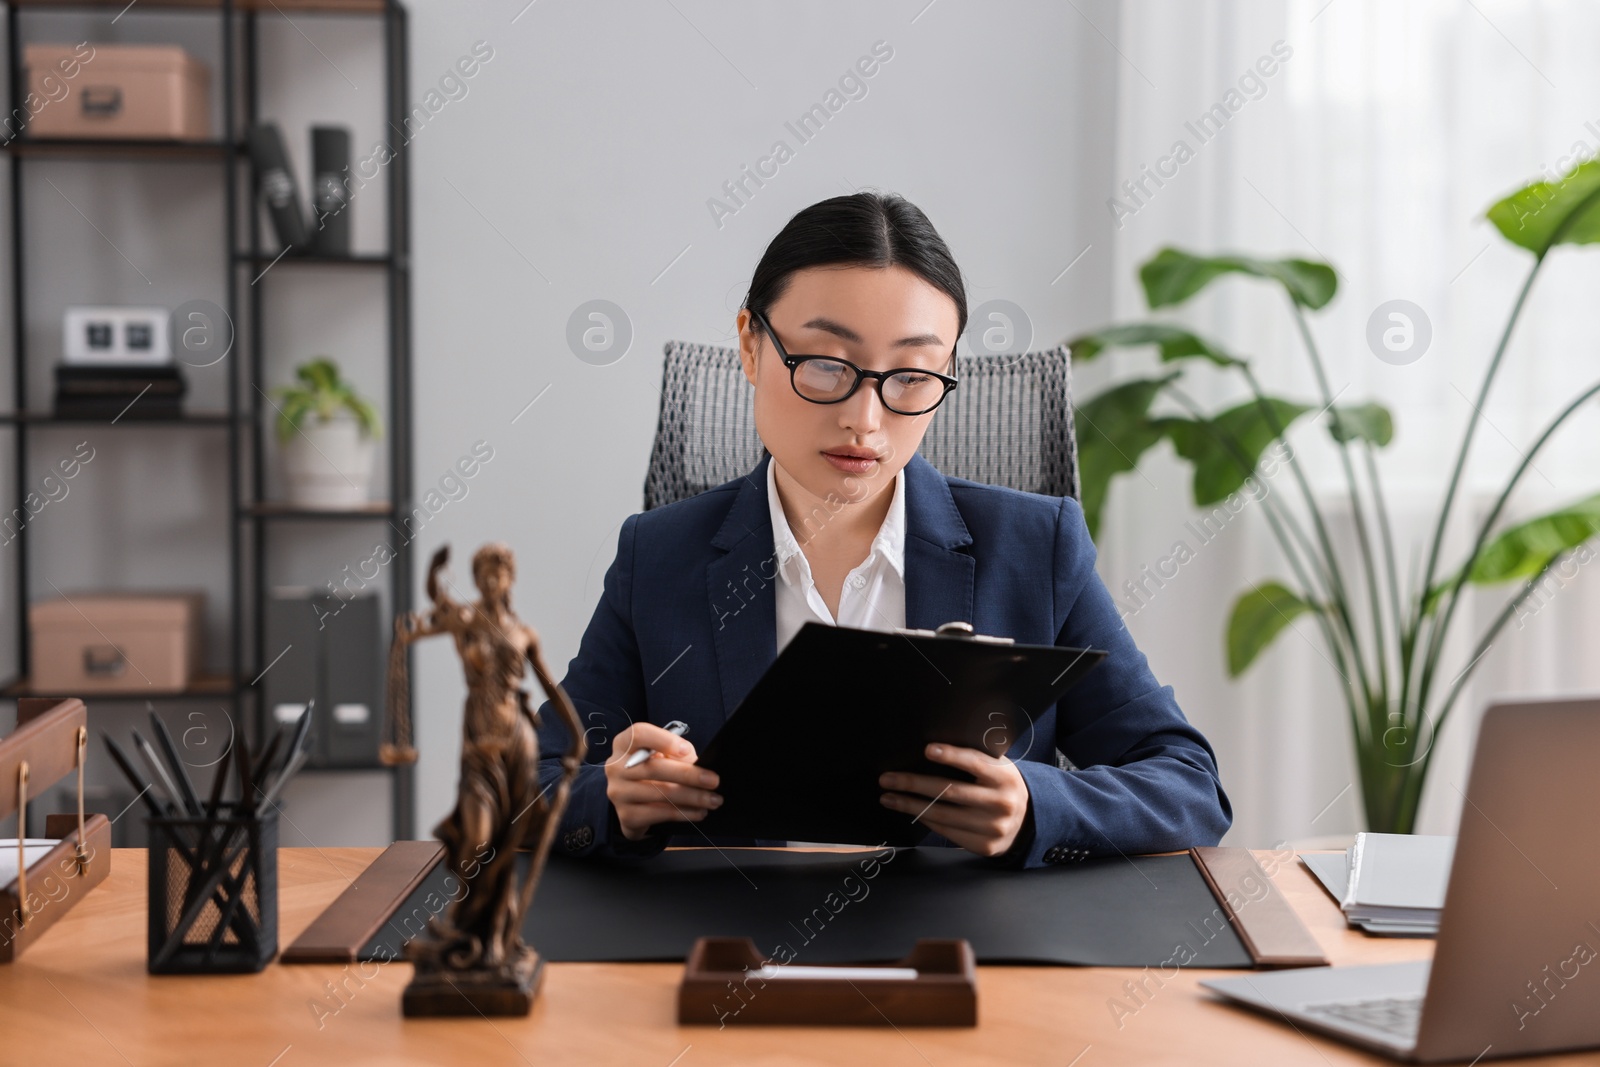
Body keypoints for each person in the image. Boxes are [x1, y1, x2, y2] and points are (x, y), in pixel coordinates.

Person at [536, 191, 1231, 868]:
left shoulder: (1034, 547)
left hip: (961, 962)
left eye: (911, 375)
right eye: (826, 366)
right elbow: (522, 786)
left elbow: (1187, 784)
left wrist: (1032, 805)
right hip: (732, 954)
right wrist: (611, 800)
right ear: (750, 344)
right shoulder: (657, 555)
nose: (865, 419)